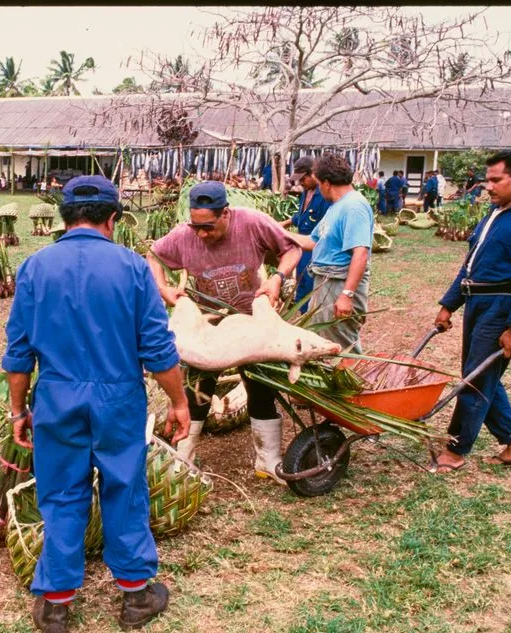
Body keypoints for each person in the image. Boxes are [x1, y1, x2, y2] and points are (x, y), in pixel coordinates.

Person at [2, 175, 190, 633]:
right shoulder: (131, 268)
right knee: (124, 487)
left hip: (57, 397)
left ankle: (56, 604)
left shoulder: (35, 267)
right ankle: (135, 596)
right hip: (118, 397)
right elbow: (158, 348)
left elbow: (19, 353)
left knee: (62, 494)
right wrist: (180, 401)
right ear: (113, 219)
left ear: (65, 218)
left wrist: (17, 410)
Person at [147, 181, 302, 483]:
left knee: (261, 387)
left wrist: (277, 279)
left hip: (250, 322)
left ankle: (268, 461)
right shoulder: (184, 236)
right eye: (196, 227)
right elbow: (153, 255)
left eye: (208, 227)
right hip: (210, 324)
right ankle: (182, 462)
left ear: (226, 214)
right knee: (198, 390)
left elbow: (291, 248)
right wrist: (163, 288)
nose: (202, 234)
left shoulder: (253, 223)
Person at [429, 151, 511, 473]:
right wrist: (448, 305)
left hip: (503, 306)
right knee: (481, 377)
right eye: (488, 179)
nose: (489, 186)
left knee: (475, 380)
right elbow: (469, 266)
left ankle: (456, 450)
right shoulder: (494, 215)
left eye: (496, 180)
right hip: (477, 303)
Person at [287, 153, 373, 354]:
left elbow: (360, 253)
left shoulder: (354, 207)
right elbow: (311, 241)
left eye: (317, 183)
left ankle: (351, 383)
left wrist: (346, 294)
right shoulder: (336, 207)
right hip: (324, 281)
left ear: (326, 183)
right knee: (324, 341)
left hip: (338, 283)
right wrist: (273, 231)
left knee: (341, 344)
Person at [277, 157, 332, 312]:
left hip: (315, 245)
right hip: (302, 245)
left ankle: (310, 313)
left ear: (313, 174)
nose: (300, 183)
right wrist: (284, 224)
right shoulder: (306, 192)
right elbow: (300, 216)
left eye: (303, 179)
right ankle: (301, 311)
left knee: (310, 282)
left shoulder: (324, 195)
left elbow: (326, 223)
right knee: (301, 280)